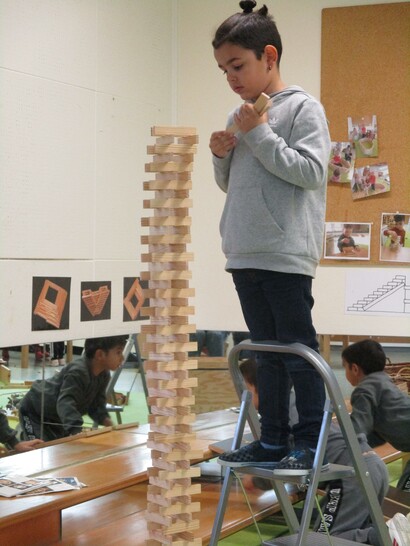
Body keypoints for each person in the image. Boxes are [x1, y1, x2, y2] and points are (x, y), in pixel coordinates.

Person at [209, 0, 331, 472]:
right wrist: (222, 155)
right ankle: (274, 440)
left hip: (285, 253)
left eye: (238, 65)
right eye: (223, 69)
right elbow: (232, 186)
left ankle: (308, 442)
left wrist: (258, 134)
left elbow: (311, 172)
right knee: (265, 355)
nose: (231, 77)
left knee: (297, 353)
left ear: (270, 57)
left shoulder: (303, 108)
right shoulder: (237, 115)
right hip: (243, 251)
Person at [238, 358, 389, 545]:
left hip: (352, 475)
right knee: (350, 535)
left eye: (247, 389)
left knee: (323, 540)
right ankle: (381, 536)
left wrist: (256, 480)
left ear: (261, 386)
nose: (243, 397)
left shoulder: (282, 413)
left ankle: (387, 536)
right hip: (372, 465)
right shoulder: (296, 402)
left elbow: (283, 460)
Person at [18, 335, 128, 442]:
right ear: (100, 355)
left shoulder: (104, 374)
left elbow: (96, 405)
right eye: (118, 352)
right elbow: (65, 403)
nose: (122, 358)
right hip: (34, 410)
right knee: (38, 448)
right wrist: (76, 430)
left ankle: (25, 436)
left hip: (57, 417)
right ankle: (22, 438)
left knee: (59, 450)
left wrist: (106, 420)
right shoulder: (79, 372)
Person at [342, 339, 410, 488]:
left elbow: (357, 429)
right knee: (403, 493)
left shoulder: (364, 390)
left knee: (404, 496)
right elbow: (377, 435)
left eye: (344, 367)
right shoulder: (384, 381)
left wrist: (336, 446)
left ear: (354, 368)